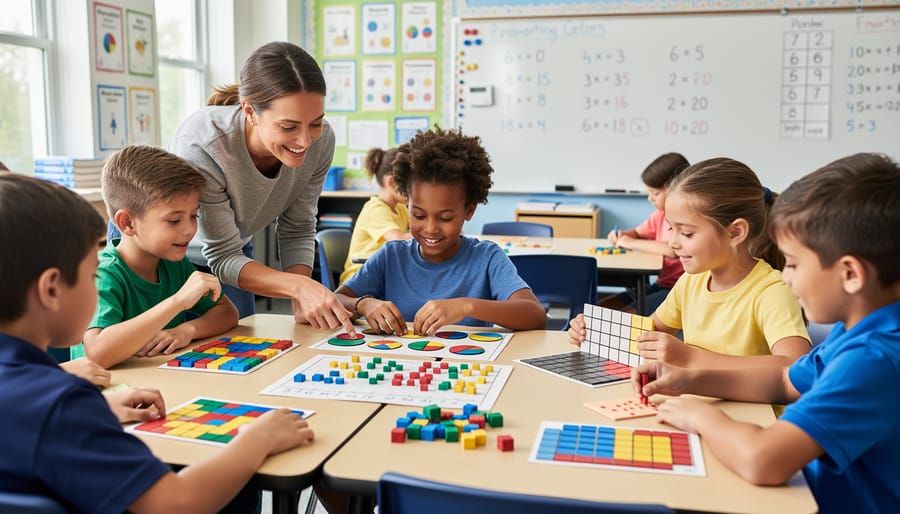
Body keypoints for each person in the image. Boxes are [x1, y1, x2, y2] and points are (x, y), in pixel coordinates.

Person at [0, 174, 315, 513]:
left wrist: (99, 410)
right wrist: (259, 438)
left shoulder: (43, 396)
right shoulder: (62, 403)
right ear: (51, 290)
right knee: (239, 491)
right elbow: (175, 503)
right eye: (92, 274)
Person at [633, 153, 900, 513]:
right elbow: (785, 378)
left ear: (850, 274)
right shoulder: (851, 332)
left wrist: (702, 417)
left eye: (792, 264)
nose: (785, 277)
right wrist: (686, 380)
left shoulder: (874, 360)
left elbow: (763, 460)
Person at [168, 41, 354, 332]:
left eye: (315, 123)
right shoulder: (203, 144)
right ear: (250, 112)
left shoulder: (322, 141)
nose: (305, 141)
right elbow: (221, 255)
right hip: (165, 257)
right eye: (289, 127)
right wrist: (298, 287)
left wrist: (301, 297)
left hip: (233, 251)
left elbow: (298, 227)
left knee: (240, 355)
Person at [569, 158, 810, 368]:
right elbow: (650, 333)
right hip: (695, 404)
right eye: (671, 229)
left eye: (686, 233)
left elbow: (793, 367)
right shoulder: (691, 282)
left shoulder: (772, 291)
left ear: (735, 232)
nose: (673, 243)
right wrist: (597, 332)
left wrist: (690, 357)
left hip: (751, 417)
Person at [334, 127, 546, 336]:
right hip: (404, 367)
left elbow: (535, 314)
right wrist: (364, 304)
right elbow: (338, 299)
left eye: (445, 218)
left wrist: (466, 306)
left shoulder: (487, 257)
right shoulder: (391, 256)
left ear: (469, 210)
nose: (430, 228)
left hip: (468, 367)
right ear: (407, 203)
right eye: (418, 215)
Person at [75, 146, 239, 369]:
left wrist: (186, 330)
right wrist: (177, 302)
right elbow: (97, 353)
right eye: (174, 220)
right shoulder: (102, 274)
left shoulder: (175, 264)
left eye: (194, 215)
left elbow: (227, 312)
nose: (190, 229)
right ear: (128, 223)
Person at [604, 152, 689, 314]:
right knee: (600, 309)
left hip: (677, 290)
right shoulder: (660, 214)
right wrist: (621, 235)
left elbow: (672, 250)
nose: (650, 198)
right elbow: (636, 232)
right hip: (660, 284)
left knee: (623, 319)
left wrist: (629, 242)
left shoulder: (686, 215)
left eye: (655, 193)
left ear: (676, 189)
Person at [339, 147, 412, 284]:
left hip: (383, 272)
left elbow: (419, 225)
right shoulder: (375, 209)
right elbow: (399, 240)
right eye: (410, 184)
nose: (414, 190)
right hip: (359, 277)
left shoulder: (401, 209)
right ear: (391, 183)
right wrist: (431, 233)